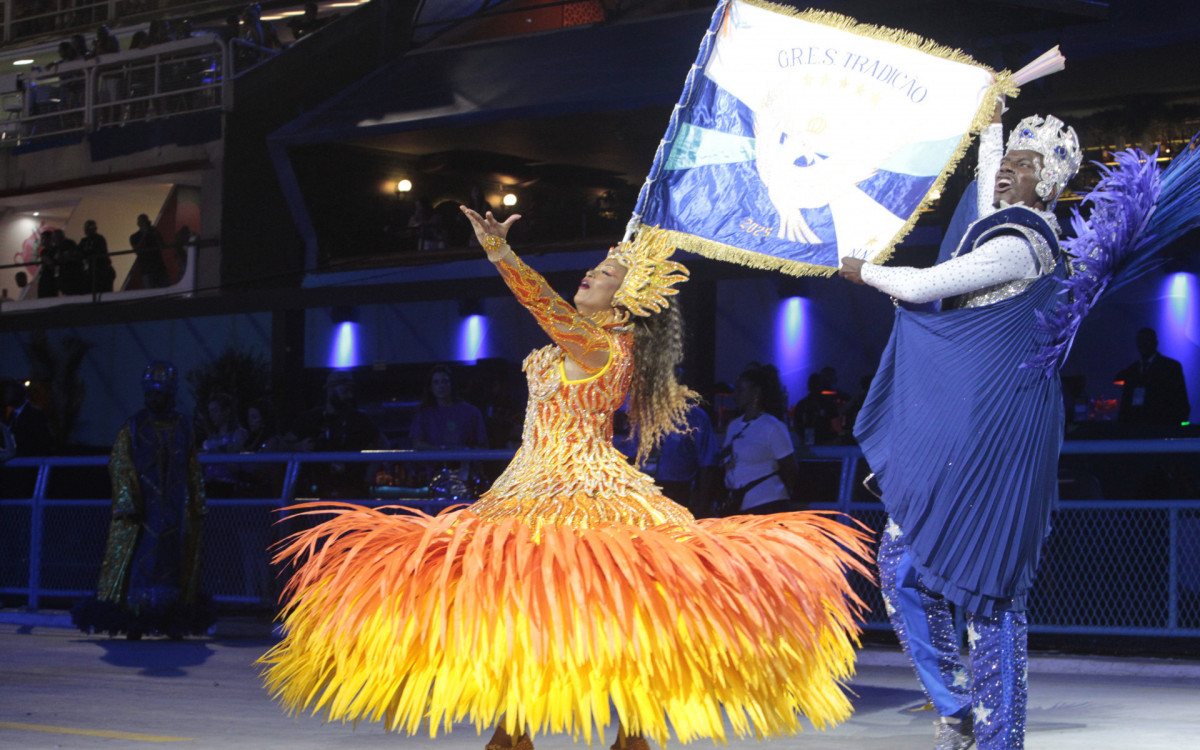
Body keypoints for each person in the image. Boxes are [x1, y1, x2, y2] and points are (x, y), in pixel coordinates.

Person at [261, 211, 870, 750]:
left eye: (604, 275)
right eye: (594, 269)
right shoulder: (578, 345)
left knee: (610, 611)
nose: (589, 276)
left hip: (582, 488)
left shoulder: (602, 346)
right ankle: (517, 730)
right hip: (525, 486)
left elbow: (541, 305)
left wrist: (501, 253)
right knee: (512, 607)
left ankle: (624, 733)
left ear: (624, 303)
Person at [840, 101, 1083, 750]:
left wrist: (865, 271)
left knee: (988, 589)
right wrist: (992, 127)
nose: (1008, 171)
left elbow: (927, 285)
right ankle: (958, 708)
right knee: (901, 562)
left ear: (1048, 182)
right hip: (964, 422)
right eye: (1009, 161)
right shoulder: (1001, 227)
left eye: (1024, 165)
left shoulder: (1025, 246)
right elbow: (982, 201)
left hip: (999, 432)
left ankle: (999, 738)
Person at [71, 361, 213, 639]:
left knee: (173, 562)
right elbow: (120, 464)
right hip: (144, 510)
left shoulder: (183, 426)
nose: (154, 399)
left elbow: (192, 465)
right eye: (151, 394)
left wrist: (196, 501)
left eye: (160, 394)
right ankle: (135, 616)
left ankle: (172, 618)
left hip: (175, 510)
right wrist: (129, 502)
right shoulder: (134, 427)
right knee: (141, 560)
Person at [289, 370, 387, 498]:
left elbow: (383, 444)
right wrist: (300, 446)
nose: (350, 396)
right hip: (317, 490)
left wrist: (371, 471)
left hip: (354, 490)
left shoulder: (359, 419)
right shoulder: (311, 418)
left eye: (351, 391)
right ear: (330, 390)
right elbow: (283, 444)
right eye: (345, 391)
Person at [720, 363, 801, 515]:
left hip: (767, 504)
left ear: (756, 392)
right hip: (738, 504)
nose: (735, 395)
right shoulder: (734, 426)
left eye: (741, 390)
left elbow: (789, 468)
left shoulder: (772, 426)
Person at [1115, 327, 1190, 426]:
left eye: (1147, 341)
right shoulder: (1132, 370)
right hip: (1136, 425)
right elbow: (1126, 401)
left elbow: (1180, 399)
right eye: (1140, 341)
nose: (1143, 345)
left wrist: (1175, 424)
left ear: (1155, 343)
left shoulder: (1170, 367)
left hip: (1162, 424)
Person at [200, 392, 249, 498]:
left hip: (227, 486)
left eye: (215, 411)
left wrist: (219, 452)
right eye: (210, 412)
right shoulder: (212, 437)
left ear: (226, 411)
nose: (212, 415)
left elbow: (236, 467)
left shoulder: (238, 434)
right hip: (208, 485)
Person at [3, 379, 54, 456]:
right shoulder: (12, 415)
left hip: (31, 458)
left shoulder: (35, 414)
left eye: (9, 393)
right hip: (17, 458)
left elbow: (43, 440)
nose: (7, 397)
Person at [131, 214, 168, 289]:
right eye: (142, 222)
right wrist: (145, 234)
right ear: (138, 224)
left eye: (145, 222)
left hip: (159, 267)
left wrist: (156, 233)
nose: (144, 224)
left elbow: (163, 245)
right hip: (147, 269)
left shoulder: (154, 233)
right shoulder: (134, 237)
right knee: (150, 292)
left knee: (165, 290)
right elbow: (137, 249)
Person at [79, 219, 116, 293]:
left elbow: (97, 252)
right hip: (90, 272)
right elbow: (79, 252)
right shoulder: (84, 241)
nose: (87, 230)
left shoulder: (99, 239)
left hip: (101, 271)